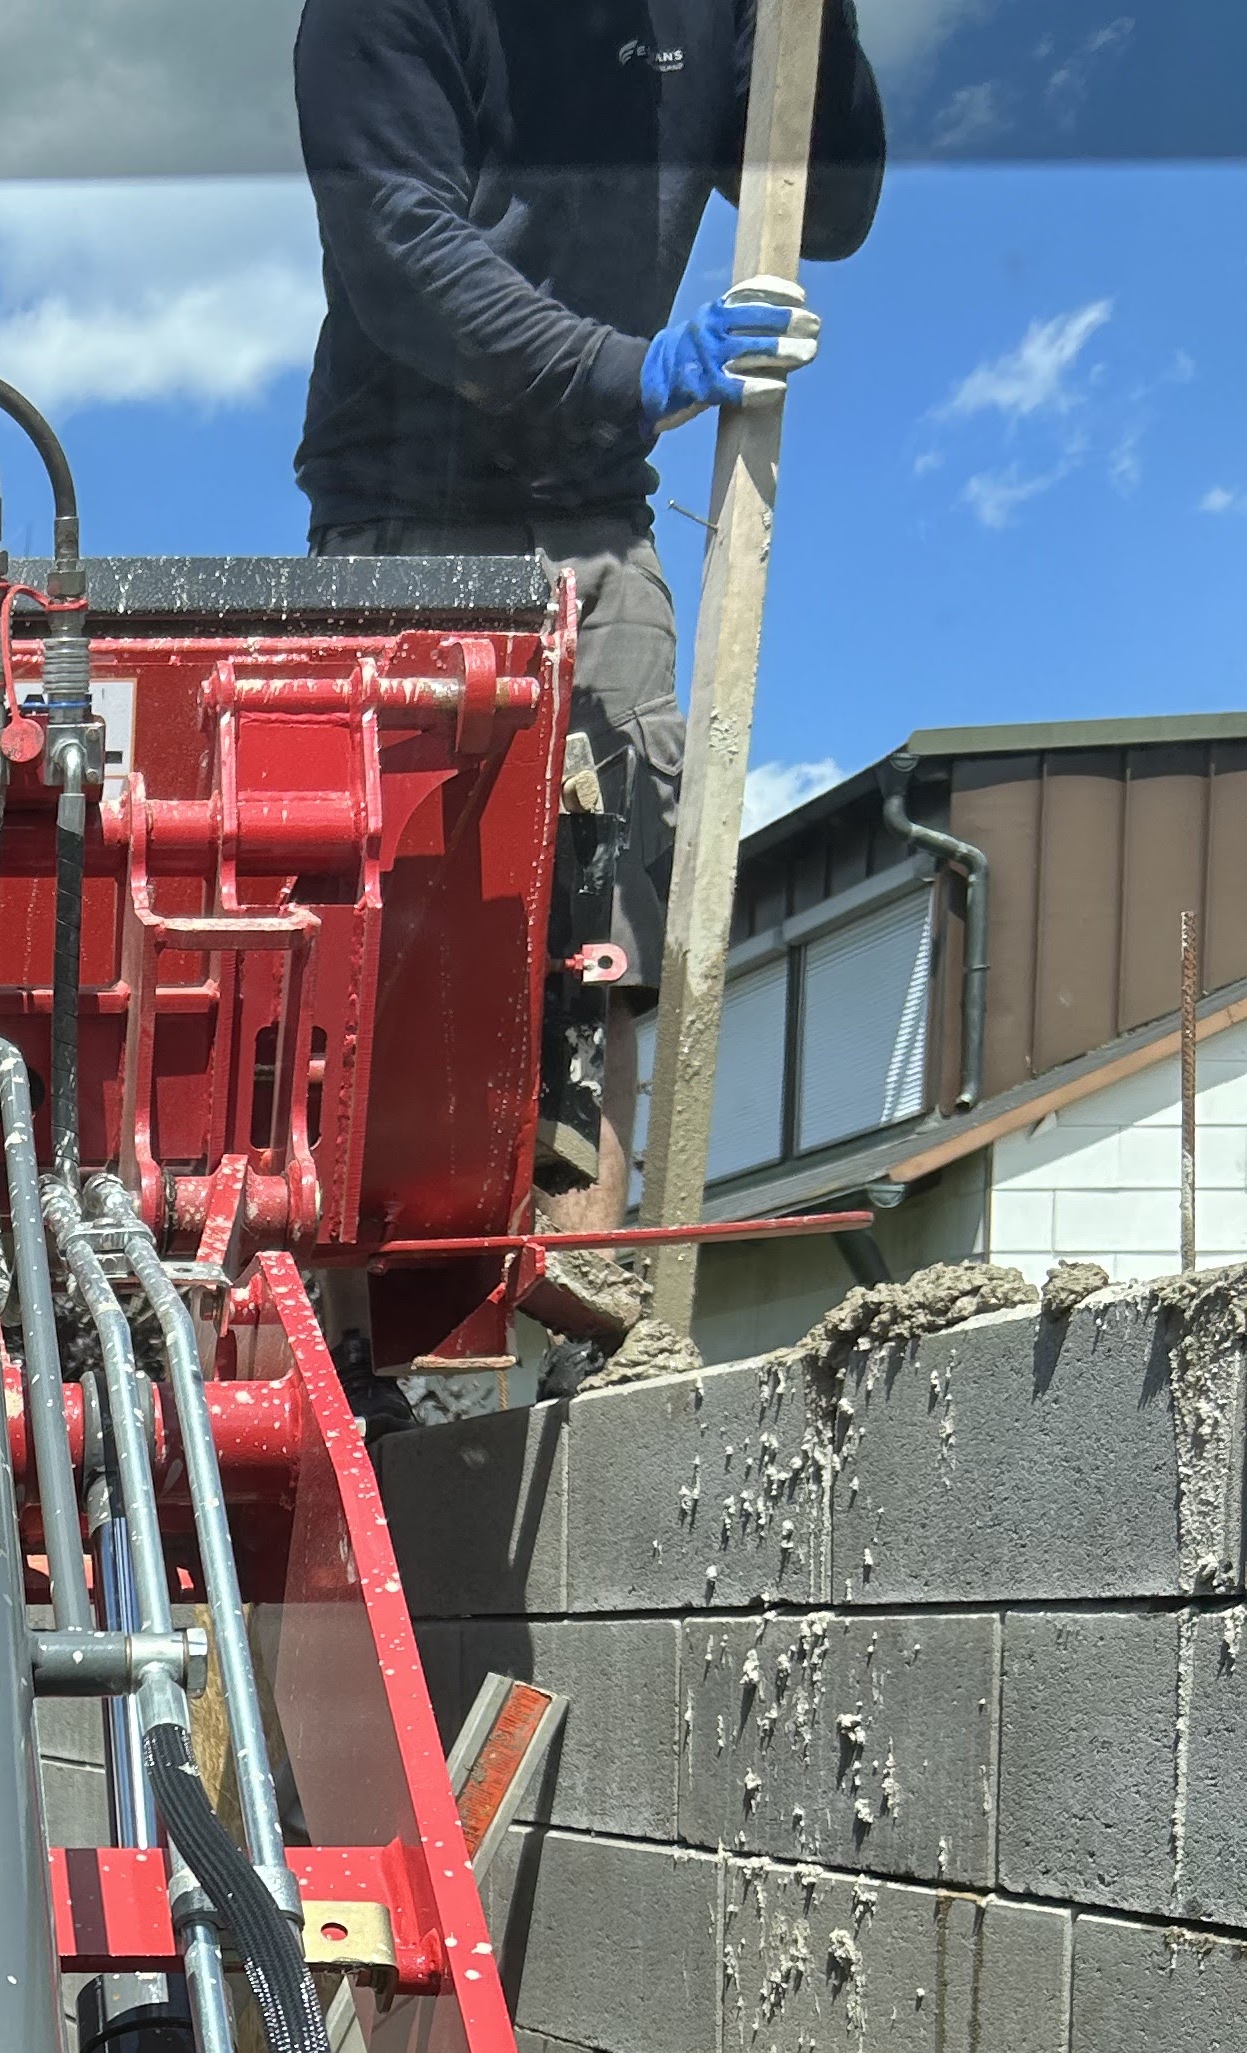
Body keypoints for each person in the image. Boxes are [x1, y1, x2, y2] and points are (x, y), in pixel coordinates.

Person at [294, 0, 886, 1303]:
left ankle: (581, 1271)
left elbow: (824, 209)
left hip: (600, 523)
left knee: (616, 898)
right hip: (408, 523)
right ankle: (351, 1311)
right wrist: (636, 372)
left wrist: (826, 23)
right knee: (401, 915)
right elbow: (404, 254)